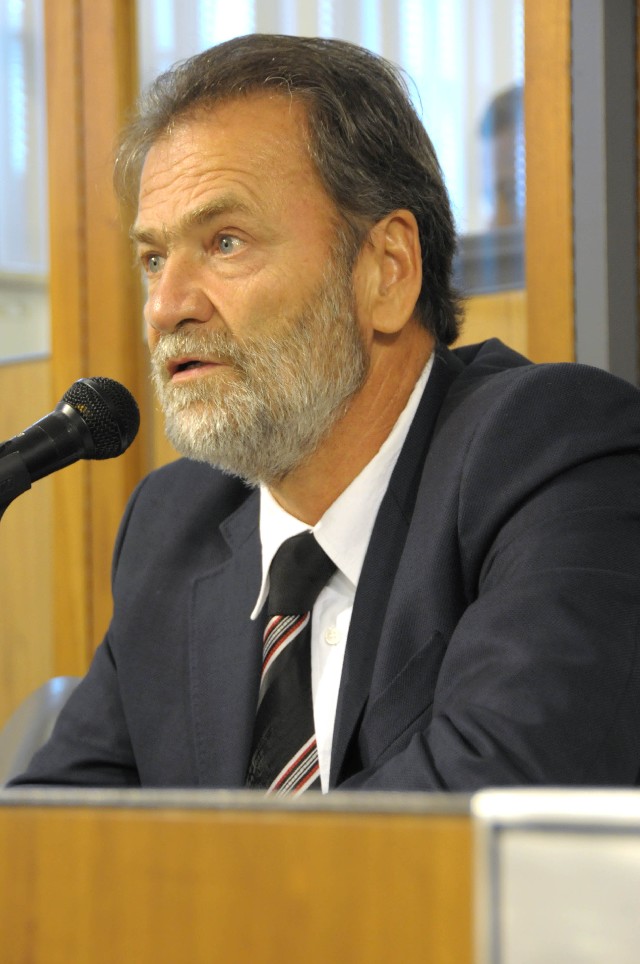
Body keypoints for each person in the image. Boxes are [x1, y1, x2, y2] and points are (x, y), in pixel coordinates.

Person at [11, 34, 640, 792]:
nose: (166, 307)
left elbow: (485, 795)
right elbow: (60, 830)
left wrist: (189, 867)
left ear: (388, 271)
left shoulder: (549, 454)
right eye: (153, 259)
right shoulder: (171, 527)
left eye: (225, 242)